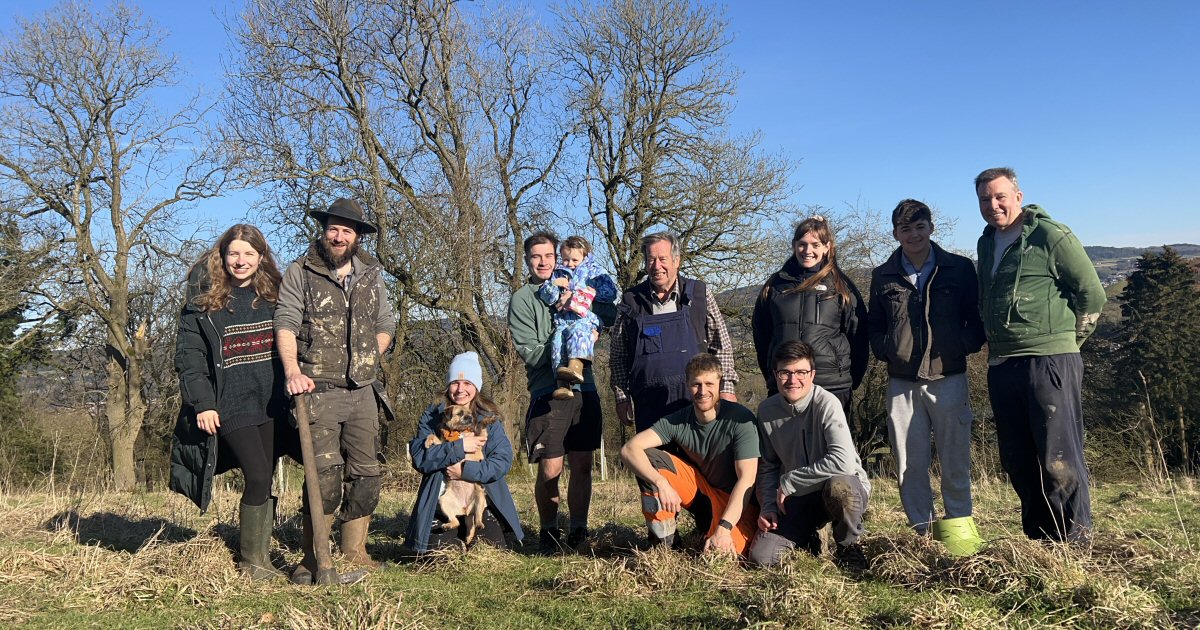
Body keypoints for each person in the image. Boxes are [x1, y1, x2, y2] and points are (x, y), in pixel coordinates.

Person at [975, 167, 1105, 542]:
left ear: (1018, 195)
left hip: (1048, 362)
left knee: (1057, 456)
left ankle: (1075, 542)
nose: (993, 205)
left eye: (1000, 196)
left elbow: (1092, 295)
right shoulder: (987, 243)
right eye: (985, 199)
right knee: (1017, 457)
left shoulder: (1051, 236)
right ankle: (1040, 539)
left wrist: (1067, 343)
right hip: (1002, 363)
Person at [274, 198, 396, 583]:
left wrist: (369, 355)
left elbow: (385, 322)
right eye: (333, 228)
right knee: (323, 476)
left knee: (366, 473)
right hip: (317, 389)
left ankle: (355, 551)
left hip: (363, 390)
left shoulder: (371, 274)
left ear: (358, 236)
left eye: (347, 230)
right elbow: (286, 322)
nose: (339, 236)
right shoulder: (301, 271)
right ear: (323, 231)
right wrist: (293, 372)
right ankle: (314, 559)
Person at [170, 223, 290, 580]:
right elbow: (189, 361)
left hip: (270, 403)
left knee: (265, 477)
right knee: (255, 475)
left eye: (248, 254)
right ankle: (251, 563)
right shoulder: (202, 305)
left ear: (261, 257)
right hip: (229, 406)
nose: (241, 261)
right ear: (222, 257)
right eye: (234, 253)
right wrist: (203, 403)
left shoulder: (276, 297)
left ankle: (263, 558)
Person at [867, 200, 986, 536]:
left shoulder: (959, 269)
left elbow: (975, 320)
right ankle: (923, 532)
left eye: (920, 226)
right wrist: (887, 351)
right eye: (906, 228)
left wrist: (960, 346)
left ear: (931, 228)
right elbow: (874, 324)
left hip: (949, 376)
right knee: (908, 463)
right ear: (895, 234)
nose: (914, 234)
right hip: (901, 382)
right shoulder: (882, 275)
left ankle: (959, 529)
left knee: (955, 459)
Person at [508, 231, 613, 553]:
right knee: (550, 468)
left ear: (558, 257)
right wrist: (568, 347)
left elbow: (609, 312)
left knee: (582, 463)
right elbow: (529, 351)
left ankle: (579, 528)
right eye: (535, 256)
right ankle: (549, 530)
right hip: (547, 390)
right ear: (527, 260)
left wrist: (594, 325)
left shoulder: (576, 279)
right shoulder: (523, 298)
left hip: (587, 384)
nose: (543, 262)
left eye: (548, 256)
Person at [619, 354, 759, 556]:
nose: (703, 391)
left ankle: (717, 531)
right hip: (704, 494)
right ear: (687, 385)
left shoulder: (740, 419)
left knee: (725, 556)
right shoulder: (679, 420)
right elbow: (629, 449)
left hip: (738, 506)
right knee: (649, 458)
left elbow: (747, 480)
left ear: (720, 383)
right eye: (696, 384)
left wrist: (724, 528)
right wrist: (661, 482)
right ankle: (665, 544)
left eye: (709, 384)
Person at [749, 341, 871, 569]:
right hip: (799, 499)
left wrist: (791, 480)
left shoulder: (827, 404)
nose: (793, 380)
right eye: (785, 372)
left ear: (812, 374)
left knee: (840, 488)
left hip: (837, 488)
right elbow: (768, 466)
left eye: (801, 372)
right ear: (775, 374)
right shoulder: (766, 411)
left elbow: (843, 463)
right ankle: (808, 538)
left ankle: (849, 548)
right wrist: (768, 506)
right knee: (762, 558)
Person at [610, 232, 739, 433]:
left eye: (663, 259)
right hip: (649, 407)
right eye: (651, 259)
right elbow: (619, 355)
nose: (656, 266)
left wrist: (726, 389)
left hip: (698, 401)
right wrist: (622, 397)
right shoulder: (630, 302)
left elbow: (720, 345)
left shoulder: (699, 293)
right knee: (654, 464)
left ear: (676, 260)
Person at [752, 217, 869, 426]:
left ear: (827, 247)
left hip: (832, 386)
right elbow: (761, 335)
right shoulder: (774, 285)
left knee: (835, 454)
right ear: (794, 246)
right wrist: (774, 373)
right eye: (802, 244)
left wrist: (850, 379)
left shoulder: (841, 286)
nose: (808, 250)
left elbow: (859, 336)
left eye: (815, 245)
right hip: (786, 385)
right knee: (785, 455)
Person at [404, 352, 524, 553]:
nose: (460, 389)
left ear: (476, 387)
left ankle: (483, 528)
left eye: (467, 383)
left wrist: (465, 470)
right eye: (455, 383)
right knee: (440, 553)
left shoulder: (489, 420)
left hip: (478, 497)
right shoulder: (432, 418)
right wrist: (458, 448)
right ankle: (450, 536)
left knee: (491, 549)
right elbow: (421, 459)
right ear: (447, 386)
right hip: (443, 498)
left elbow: (502, 462)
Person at [536, 235, 618, 400]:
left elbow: (611, 293)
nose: (570, 264)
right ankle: (563, 385)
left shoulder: (594, 271)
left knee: (578, 333)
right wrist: (553, 285)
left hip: (585, 318)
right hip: (563, 321)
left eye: (575, 260)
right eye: (566, 259)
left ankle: (576, 366)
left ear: (585, 256)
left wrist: (587, 293)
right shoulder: (558, 273)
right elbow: (549, 298)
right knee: (557, 345)